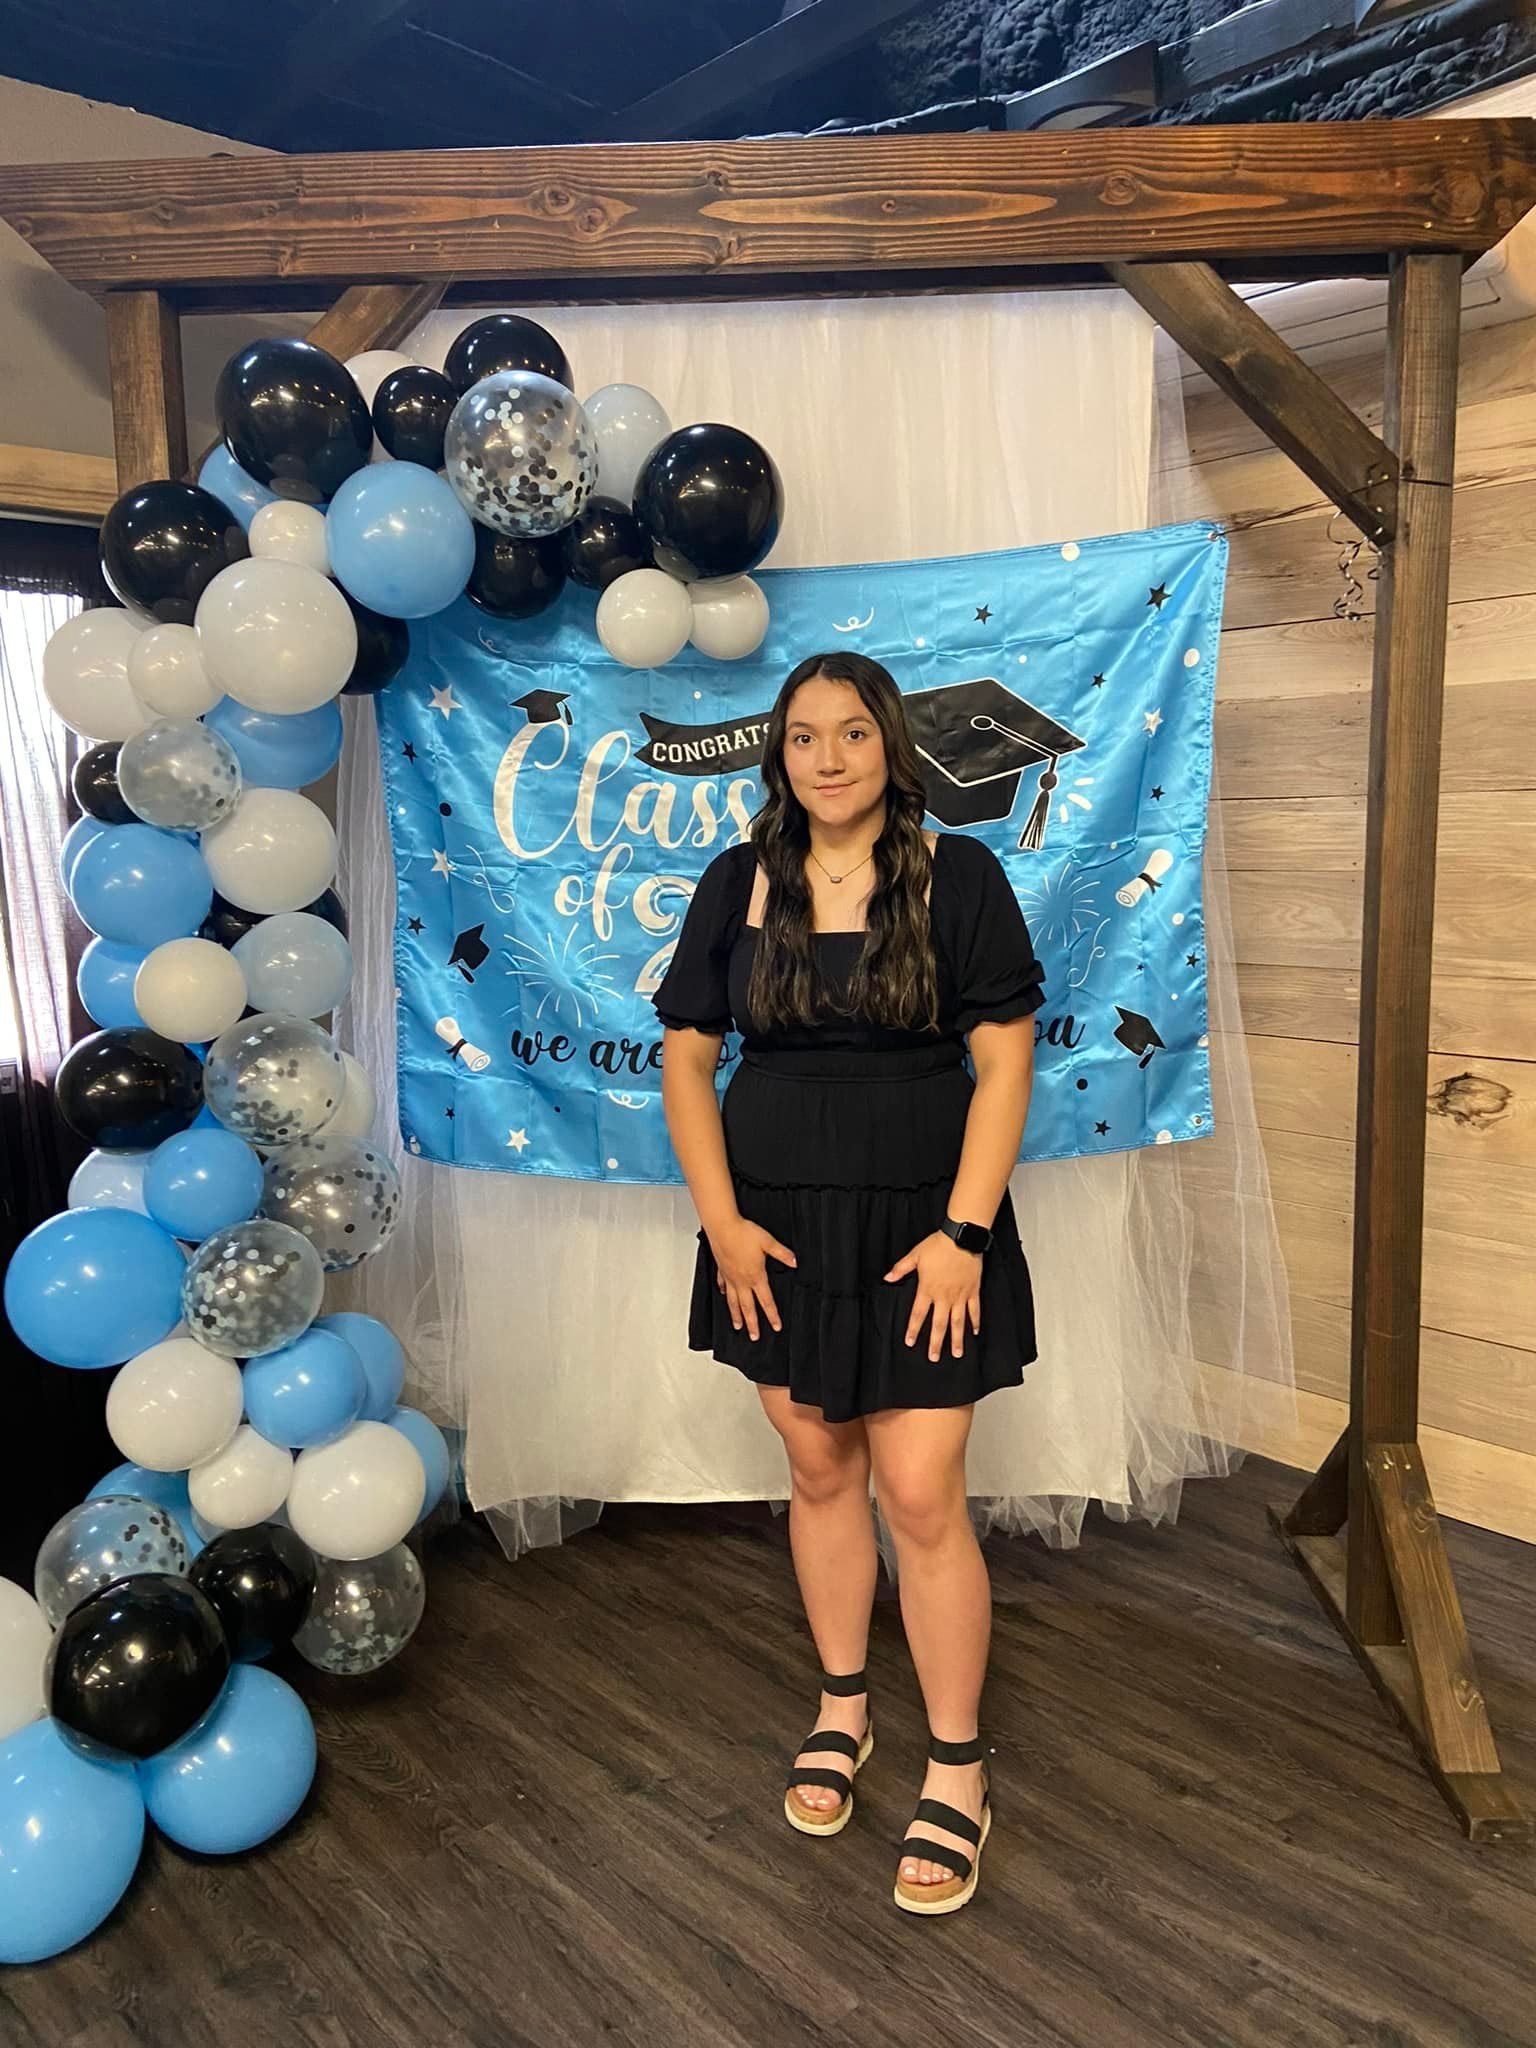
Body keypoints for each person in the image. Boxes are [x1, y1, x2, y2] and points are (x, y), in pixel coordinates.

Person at [654, 651, 1043, 1918]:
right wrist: (721, 1225)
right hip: (774, 1226)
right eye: (805, 736)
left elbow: (1002, 1062)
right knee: (819, 1469)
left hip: (930, 1225)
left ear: (891, 749)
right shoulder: (738, 880)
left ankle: (958, 1760)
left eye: (854, 734)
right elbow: (691, 1055)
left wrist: (964, 1236)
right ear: (781, 754)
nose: (828, 757)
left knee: (922, 1489)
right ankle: (840, 1702)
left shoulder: (962, 876)